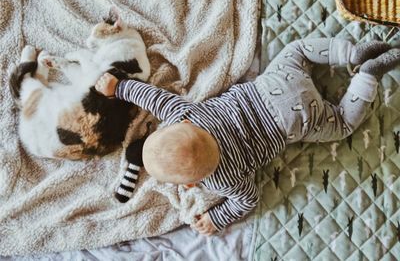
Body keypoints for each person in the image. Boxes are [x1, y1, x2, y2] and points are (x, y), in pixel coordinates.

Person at [95, 38, 400, 235]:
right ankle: (350, 52)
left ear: (190, 184)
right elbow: (152, 98)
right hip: (274, 85)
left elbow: (247, 200)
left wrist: (217, 218)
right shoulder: (185, 115)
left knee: (342, 124)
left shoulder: (222, 181)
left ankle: (368, 76)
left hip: (294, 121)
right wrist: (118, 87)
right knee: (297, 50)